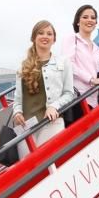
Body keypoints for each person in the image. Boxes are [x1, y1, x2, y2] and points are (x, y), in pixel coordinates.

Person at [11, 21, 74, 156]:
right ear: (34, 37)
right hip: (26, 127)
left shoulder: (63, 62)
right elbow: (17, 100)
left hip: (51, 122)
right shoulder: (23, 67)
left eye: (49, 34)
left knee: (50, 165)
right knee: (28, 170)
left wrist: (54, 106)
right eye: (41, 33)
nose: (45, 36)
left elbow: (69, 94)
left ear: (54, 39)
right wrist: (17, 113)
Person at [59, 5, 99, 112]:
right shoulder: (71, 39)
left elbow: (94, 70)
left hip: (93, 98)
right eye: (85, 17)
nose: (90, 20)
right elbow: (69, 65)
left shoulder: (96, 48)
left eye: (93, 18)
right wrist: (92, 80)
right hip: (76, 98)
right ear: (78, 22)